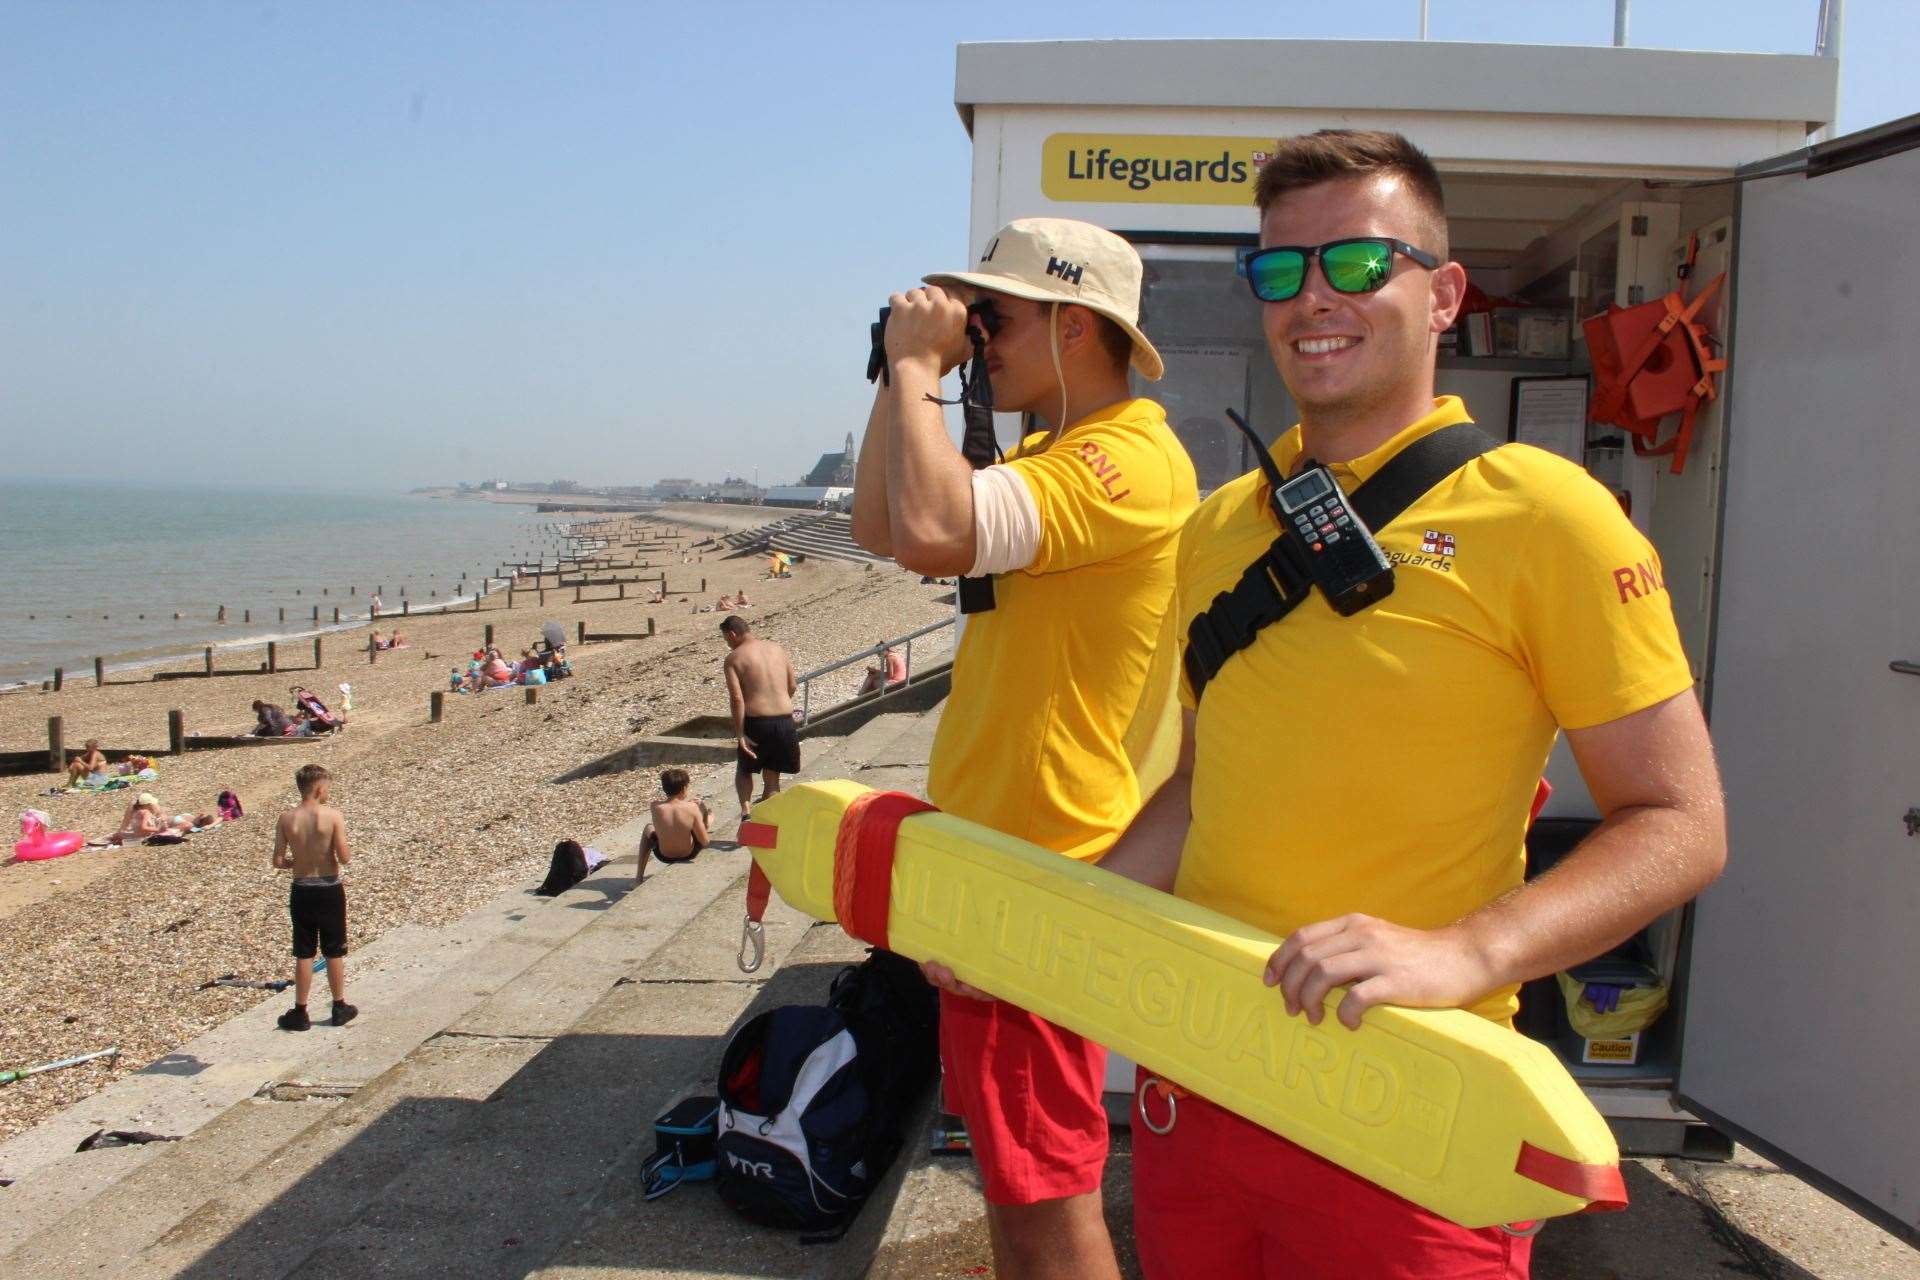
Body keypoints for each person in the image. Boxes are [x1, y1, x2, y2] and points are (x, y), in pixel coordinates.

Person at [1089, 130, 1727, 1278]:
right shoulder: (1221, 526)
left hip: (1414, 1102)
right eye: (1280, 270)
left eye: (1356, 263)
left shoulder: (1549, 514)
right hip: (1204, 1083)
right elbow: (1203, 786)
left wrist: (1468, 949)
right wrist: (1050, 918)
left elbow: (1682, 821)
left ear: (1441, 295)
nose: (1312, 298)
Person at [851, 217, 1198, 1280]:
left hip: (1048, 864)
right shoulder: (1058, 453)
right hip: (1007, 854)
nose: (980, 338)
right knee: (1016, 1179)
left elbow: (932, 531)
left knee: (1046, 1193)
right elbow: (882, 521)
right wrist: (894, 374)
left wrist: (919, 363)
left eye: (995, 316)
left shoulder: (1122, 460)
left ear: (1079, 325)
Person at [271, 763, 357, 1030]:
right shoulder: (332, 816)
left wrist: (295, 862)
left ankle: (300, 1011)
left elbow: (278, 860)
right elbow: (344, 857)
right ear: (319, 787)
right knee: (334, 951)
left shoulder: (286, 818)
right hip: (329, 888)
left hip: (302, 889)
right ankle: (339, 1005)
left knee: (304, 952)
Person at [719, 615, 799, 823]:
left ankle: (746, 812)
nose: (728, 644)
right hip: (784, 721)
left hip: (758, 723)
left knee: (744, 770)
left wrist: (740, 734)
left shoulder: (734, 658)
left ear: (732, 634)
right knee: (772, 779)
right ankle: (770, 821)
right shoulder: (777, 648)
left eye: (727, 640)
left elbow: (737, 698)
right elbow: (792, 685)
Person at [639, 767, 712, 879]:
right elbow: (705, 842)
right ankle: (709, 816)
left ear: (664, 789)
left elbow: (672, 813)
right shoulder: (691, 807)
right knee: (701, 820)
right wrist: (702, 809)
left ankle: (638, 877)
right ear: (684, 788)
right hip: (688, 854)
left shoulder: (655, 806)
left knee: (648, 828)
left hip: (663, 855)